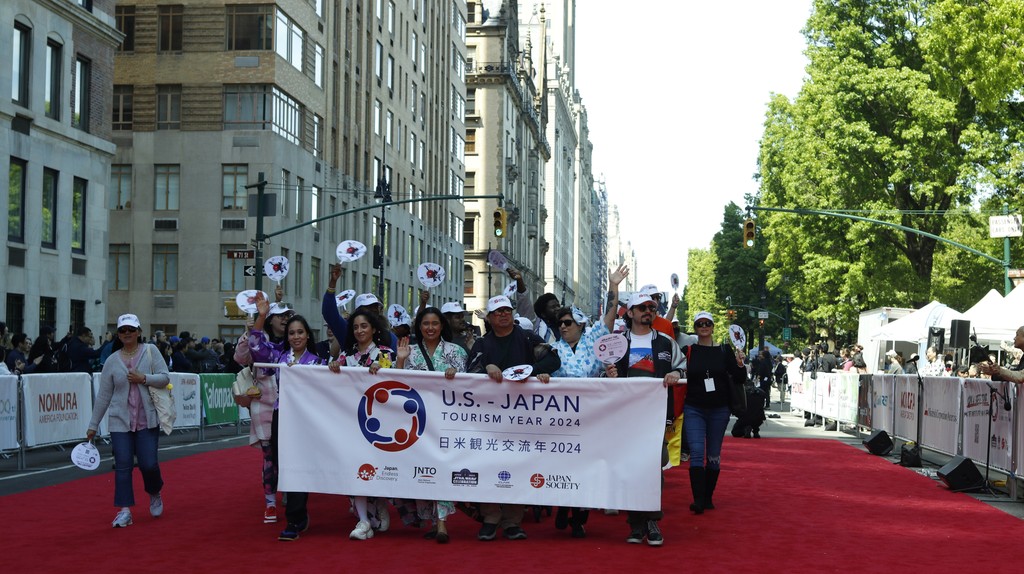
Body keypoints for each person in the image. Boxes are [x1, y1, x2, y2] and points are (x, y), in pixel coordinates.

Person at [467, 294, 561, 542]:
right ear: (489, 318)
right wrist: (486, 369)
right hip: (489, 421)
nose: (503, 315)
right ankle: (490, 517)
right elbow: (470, 372)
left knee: (518, 467)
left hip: (523, 418)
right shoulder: (482, 344)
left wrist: (532, 373)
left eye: (507, 310)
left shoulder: (527, 338)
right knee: (488, 467)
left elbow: (553, 359)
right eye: (497, 312)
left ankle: (512, 521)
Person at [548, 264, 627, 538]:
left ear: (580, 325)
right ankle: (563, 505)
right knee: (564, 464)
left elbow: (610, 316)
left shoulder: (594, 340)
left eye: (568, 323)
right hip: (561, 418)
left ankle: (579, 517)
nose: (563, 327)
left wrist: (613, 285)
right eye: (560, 323)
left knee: (587, 465)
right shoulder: (553, 349)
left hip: (591, 416)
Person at [605, 293, 685, 547]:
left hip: (656, 414)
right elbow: (602, 376)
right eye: (642, 307)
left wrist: (675, 372)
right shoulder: (616, 342)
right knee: (631, 468)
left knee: (653, 467)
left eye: (651, 307)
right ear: (630, 313)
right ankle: (636, 524)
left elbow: (683, 365)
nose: (648, 311)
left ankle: (652, 521)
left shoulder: (665, 341)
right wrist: (609, 374)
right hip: (625, 415)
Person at [248, 292, 327, 541]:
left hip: (307, 420)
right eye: (292, 333)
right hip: (281, 417)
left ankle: (296, 519)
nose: (296, 336)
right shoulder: (278, 357)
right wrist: (262, 316)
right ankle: (296, 517)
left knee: (301, 466)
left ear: (308, 335)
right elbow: (255, 347)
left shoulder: (319, 362)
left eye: (300, 332)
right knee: (285, 467)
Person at [86, 313, 171, 528]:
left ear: (139, 332)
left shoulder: (151, 351)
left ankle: (154, 492)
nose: (127, 333)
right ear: (118, 334)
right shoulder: (112, 360)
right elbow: (104, 396)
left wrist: (144, 378)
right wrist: (93, 425)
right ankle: (124, 510)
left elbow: (165, 377)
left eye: (131, 329)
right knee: (122, 465)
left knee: (148, 464)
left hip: (147, 419)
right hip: (120, 422)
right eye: (123, 330)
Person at [394, 306, 467, 544]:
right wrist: (400, 360)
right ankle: (434, 521)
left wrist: (457, 374)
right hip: (418, 420)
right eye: (425, 323)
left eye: (435, 323)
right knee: (424, 468)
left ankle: (442, 521)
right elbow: (397, 384)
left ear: (442, 325)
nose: (430, 328)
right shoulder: (410, 351)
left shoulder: (456, 351)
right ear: (419, 327)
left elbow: (468, 386)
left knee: (443, 465)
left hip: (447, 420)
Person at [328, 308, 396, 541]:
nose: (359, 331)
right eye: (355, 327)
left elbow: (395, 381)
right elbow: (332, 382)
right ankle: (364, 519)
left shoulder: (385, 353)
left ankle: (378, 506)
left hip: (379, 422)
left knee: (376, 468)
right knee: (354, 470)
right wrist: (333, 369)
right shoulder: (345, 355)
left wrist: (383, 371)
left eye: (364, 326)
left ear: (374, 329)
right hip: (350, 421)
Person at [678, 311, 746, 517]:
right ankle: (698, 500)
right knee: (697, 452)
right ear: (695, 328)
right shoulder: (687, 350)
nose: (704, 327)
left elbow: (740, 377)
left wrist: (740, 363)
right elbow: (675, 368)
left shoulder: (725, 350)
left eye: (707, 323)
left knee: (714, 455)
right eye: (700, 324)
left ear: (713, 327)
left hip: (719, 409)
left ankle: (708, 497)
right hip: (694, 407)